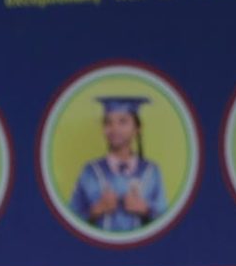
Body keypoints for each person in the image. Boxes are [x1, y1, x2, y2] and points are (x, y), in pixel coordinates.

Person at [68, 93, 167, 234]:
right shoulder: (90, 171)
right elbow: (69, 220)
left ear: (137, 129)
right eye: (108, 122)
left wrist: (145, 210)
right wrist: (96, 210)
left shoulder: (152, 171)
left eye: (123, 121)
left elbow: (167, 222)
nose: (114, 128)